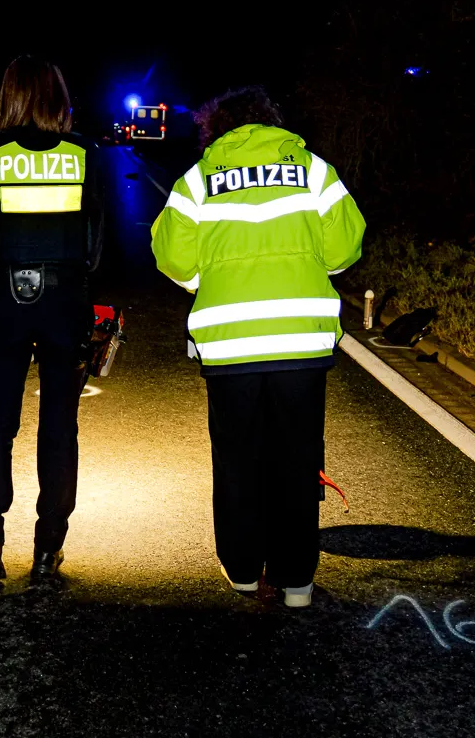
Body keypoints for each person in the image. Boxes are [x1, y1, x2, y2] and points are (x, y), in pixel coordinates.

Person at [150, 86, 365, 607]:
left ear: (215, 129)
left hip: (231, 344)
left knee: (237, 458)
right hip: (300, 341)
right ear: (272, 123)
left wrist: (209, 281)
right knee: (297, 458)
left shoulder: (197, 180)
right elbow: (345, 249)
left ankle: (244, 570)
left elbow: (173, 259)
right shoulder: (314, 171)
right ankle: (297, 582)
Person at [0, 56, 104, 582]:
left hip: (6, 301)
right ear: (58, 99)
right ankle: (47, 551)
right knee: (60, 428)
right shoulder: (84, 154)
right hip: (65, 302)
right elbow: (94, 243)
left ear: (10, 97)